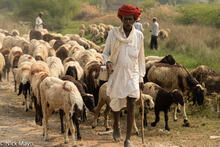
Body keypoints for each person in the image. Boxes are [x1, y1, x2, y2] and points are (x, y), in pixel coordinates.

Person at [102, 4, 145, 147]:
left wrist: (141, 78)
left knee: (132, 102)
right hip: (117, 72)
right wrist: (108, 62)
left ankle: (128, 139)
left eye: (131, 19)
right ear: (121, 19)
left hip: (132, 73)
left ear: (134, 20)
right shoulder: (113, 34)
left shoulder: (139, 36)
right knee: (116, 102)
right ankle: (116, 125)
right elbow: (105, 52)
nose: (128, 22)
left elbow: (140, 58)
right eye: (125, 19)